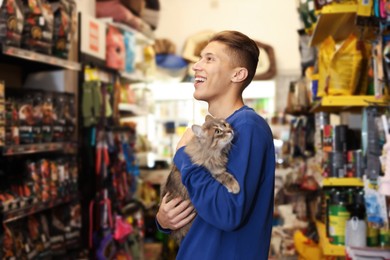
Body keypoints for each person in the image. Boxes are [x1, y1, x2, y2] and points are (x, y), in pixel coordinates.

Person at [156, 30, 275, 260]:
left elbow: (228, 213)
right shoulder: (214, 128)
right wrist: (164, 220)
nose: (196, 66)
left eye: (209, 59)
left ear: (238, 74)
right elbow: (200, 203)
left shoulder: (247, 126)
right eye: (200, 58)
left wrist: (185, 155)